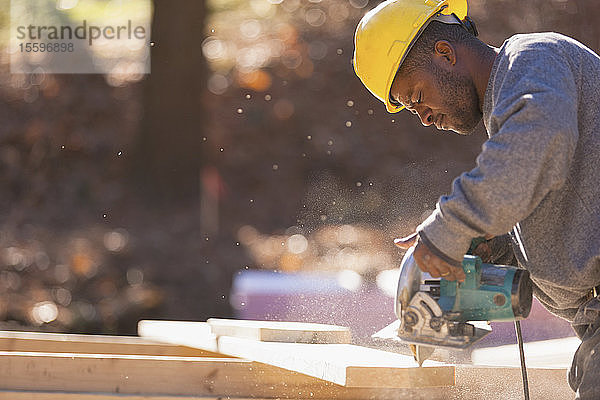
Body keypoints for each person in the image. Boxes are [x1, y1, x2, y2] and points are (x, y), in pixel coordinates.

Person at [353, 0, 600, 398]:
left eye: (417, 95)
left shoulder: (533, 56)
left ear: (445, 53)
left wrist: (449, 228)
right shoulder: (514, 109)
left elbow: (539, 144)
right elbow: (574, 214)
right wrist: (497, 247)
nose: (424, 117)